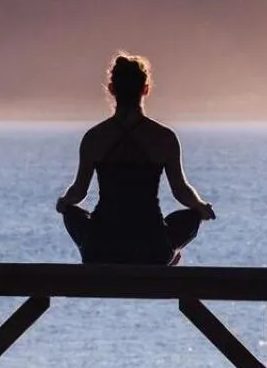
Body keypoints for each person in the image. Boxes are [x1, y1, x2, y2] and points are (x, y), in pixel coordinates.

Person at [56, 53, 216, 264]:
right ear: (146, 89)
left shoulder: (94, 137)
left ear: (112, 90)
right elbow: (180, 190)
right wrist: (201, 206)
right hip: (152, 249)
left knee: (71, 213)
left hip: (101, 248)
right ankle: (170, 256)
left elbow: (78, 192)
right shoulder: (164, 138)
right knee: (191, 217)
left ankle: (91, 251)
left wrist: (63, 203)